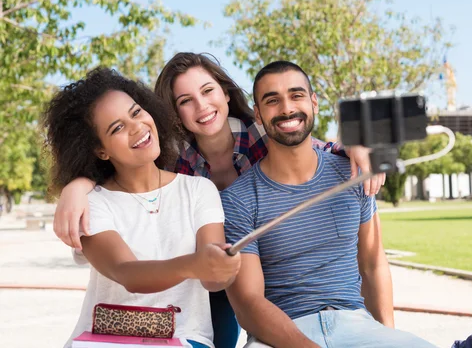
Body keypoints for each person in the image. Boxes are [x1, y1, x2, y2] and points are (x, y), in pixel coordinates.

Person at [51, 53, 385, 348]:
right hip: (200, 282)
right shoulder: (173, 161)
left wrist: (351, 146)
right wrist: (78, 185)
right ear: (173, 113)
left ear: (225, 93)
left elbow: (309, 155)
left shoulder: (261, 134)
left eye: (208, 91)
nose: (201, 106)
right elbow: (125, 176)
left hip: (254, 270)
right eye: (185, 100)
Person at [222, 61, 437, 348]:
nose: (286, 108)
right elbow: (249, 304)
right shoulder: (238, 199)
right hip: (280, 335)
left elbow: (373, 264)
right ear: (258, 115)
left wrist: (388, 336)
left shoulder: (352, 173)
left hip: (356, 325)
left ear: (314, 103)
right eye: (272, 100)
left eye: (296, 95)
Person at [43, 68, 241, 348]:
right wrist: (195, 264)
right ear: (101, 150)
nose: (137, 127)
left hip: (184, 338)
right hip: (105, 340)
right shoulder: (91, 203)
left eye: (136, 113)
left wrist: (218, 268)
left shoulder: (199, 190)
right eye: (117, 128)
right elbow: (127, 272)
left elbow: (212, 281)